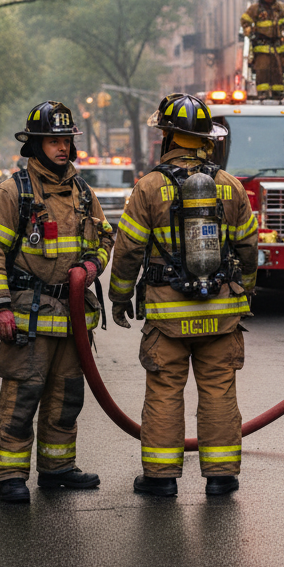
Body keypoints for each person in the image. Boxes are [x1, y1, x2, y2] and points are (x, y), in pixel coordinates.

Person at [109, 93, 259, 497]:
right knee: (218, 390)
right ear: (206, 139)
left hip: (168, 313)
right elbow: (248, 248)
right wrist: (247, 290)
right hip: (221, 312)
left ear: (168, 137)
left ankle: (160, 479)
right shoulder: (230, 186)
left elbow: (127, 251)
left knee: (164, 391)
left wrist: (119, 300)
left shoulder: (149, 188)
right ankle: (221, 475)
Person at [0, 101, 114, 504]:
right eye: (53, 141)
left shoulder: (82, 192)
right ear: (34, 145)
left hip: (72, 318)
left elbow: (106, 238)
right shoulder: (12, 192)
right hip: (28, 317)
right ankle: (11, 475)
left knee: (67, 398)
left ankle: (57, 469)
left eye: (67, 141)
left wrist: (92, 266)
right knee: (22, 398)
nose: (62, 148)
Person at [241, 0, 284, 100]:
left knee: (278, 71)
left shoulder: (280, 8)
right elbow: (245, 21)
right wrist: (251, 33)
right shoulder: (255, 9)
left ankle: (278, 94)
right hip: (261, 46)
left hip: (278, 46)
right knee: (262, 70)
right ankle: (263, 93)